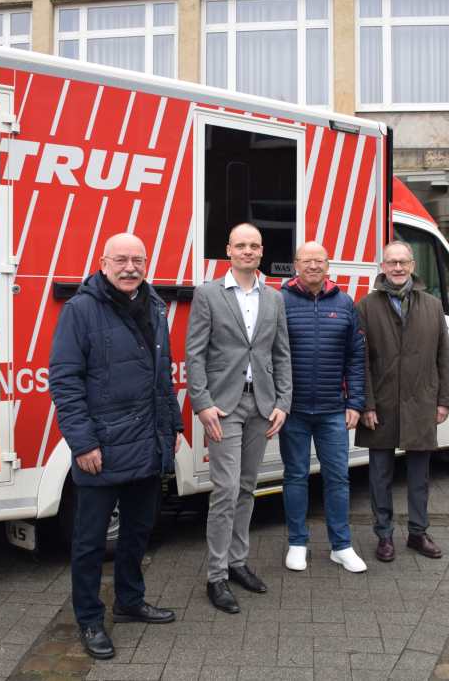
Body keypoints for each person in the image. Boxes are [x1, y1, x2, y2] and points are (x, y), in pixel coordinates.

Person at [49, 233, 182, 660]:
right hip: (101, 450)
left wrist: (173, 426)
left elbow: (163, 376)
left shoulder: (155, 305)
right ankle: (89, 619)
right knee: (89, 542)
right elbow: (65, 382)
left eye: (137, 260)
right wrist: (83, 442)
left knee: (138, 531)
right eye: (121, 260)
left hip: (147, 443)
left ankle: (129, 602)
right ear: (103, 263)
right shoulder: (81, 310)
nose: (130, 267)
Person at [185, 223, 292, 614]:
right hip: (223, 407)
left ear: (261, 252)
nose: (248, 251)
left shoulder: (275, 298)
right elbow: (194, 354)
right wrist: (202, 403)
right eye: (240, 245)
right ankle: (216, 576)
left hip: (261, 406)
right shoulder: (208, 294)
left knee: (247, 487)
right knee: (225, 490)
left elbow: (281, 354)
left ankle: (237, 561)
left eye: (254, 246)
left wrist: (284, 401)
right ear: (228, 250)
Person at [356, 240, 449, 562]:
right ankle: (383, 536)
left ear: (412, 266)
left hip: (421, 402)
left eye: (403, 262)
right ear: (382, 267)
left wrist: (444, 400)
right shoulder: (366, 306)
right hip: (381, 406)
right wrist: (366, 404)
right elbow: (361, 361)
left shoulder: (432, 305)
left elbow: (443, 356)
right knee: (379, 477)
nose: (397, 268)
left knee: (419, 477)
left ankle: (417, 532)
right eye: (391, 262)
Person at [279, 241, 367, 573]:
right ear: (295, 265)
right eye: (306, 260)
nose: (313, 266)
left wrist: (355, 402)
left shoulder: (344, 303)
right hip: (294, 410)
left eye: (319, 261)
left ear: (328, 266)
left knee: (338, 479)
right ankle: (297, 543)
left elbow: (355, 358)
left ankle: (341, 546)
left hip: (333, 409)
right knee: (296, 477)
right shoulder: (280, 301)